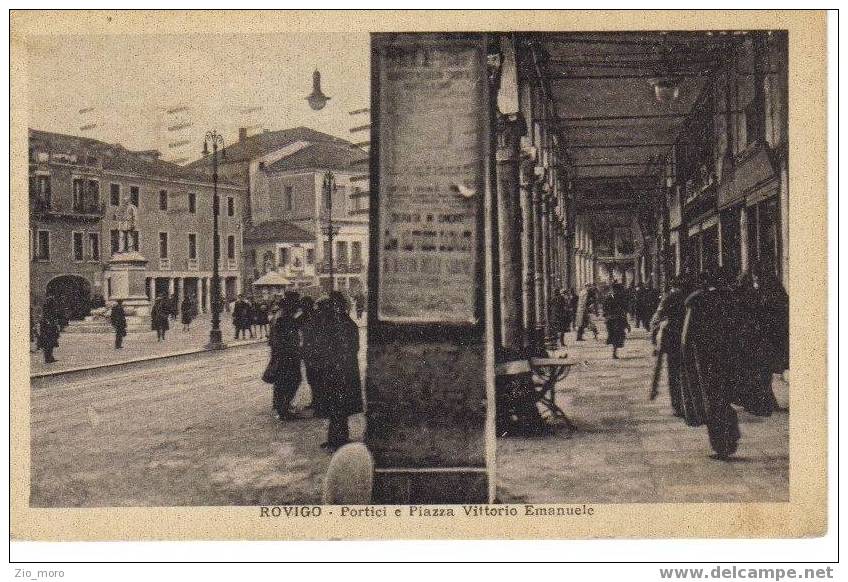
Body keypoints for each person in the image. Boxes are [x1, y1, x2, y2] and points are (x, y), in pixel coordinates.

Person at [680, 269, 742, 460]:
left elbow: (686, 336)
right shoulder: (730, 298)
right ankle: (731, 439)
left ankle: (721, 446)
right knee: (724, 398)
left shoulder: (696, 301)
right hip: (728, 355)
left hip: (705, 358)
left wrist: (685, 358)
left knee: (712, 402)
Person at [304, 292, 363, 450]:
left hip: (342, 372)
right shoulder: (336, 323)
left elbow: (352, 348)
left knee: (338, 407)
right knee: (335, 407)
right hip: (337, 372)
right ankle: (334, 438)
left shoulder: (343, 324)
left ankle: (339, 439)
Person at [649, 276, 690, 417]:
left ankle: (677, 405)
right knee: (687, 372)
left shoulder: (669, 297)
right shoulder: (689, 296)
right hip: (688, 337)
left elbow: (657, 317)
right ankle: (688, 404)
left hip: (671, 337)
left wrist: (654, 336)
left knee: (674, 373)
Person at [266, 295, 302, 420]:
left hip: (280, 354)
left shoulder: (278, 316)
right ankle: (284, 410)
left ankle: (280, 407)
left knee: (282, 381)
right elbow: (289, 339)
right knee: (292, 380)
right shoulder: (285, 318)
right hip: (287, 355)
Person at [603, 282, 629, 359]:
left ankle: (614, 352)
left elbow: (624, 310)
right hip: (615, 319)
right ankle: (614, 352)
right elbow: (624, 310)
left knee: (615, 335)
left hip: (615, 319)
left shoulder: (612, 297)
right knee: (615, 335)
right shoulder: (617, 298)